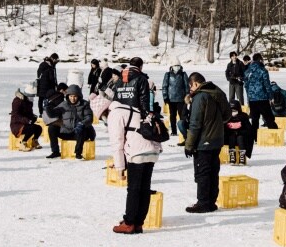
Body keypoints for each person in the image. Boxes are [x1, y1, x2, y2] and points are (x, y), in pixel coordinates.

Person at [108, 83, 164, 234]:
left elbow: (117, 143)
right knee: (144, 188)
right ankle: (139, 223)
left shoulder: (115, 114)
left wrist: (120, 167)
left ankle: (129, 222)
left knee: (133, 189)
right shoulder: (134, 108)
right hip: (151, 150)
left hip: (137, 152)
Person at [183, 72, 227, 213]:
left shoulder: (200, 97)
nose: (191, 89)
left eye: (191, 86)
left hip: (204, 141)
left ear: (196, 84)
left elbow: (195, 124)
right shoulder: (217, 92)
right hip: (217, 139)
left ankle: (203, 203)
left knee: (203, 173)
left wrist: (189, 145)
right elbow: (226, 115)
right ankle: (211, 202)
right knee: (213, 171)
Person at [47, 84, 95, 159]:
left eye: (75, 96)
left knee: (82, 129)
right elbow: (53, 114)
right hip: (66, 132)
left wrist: (82, 123)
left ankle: (78, 153)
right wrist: (47, 108)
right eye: (71, 96)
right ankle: (55, 151)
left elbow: (89, 118)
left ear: (78, 96)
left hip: (80, 134)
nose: (73, 98)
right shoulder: (63, 104)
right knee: (52, 128)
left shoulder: (85, 104)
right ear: (68, 96)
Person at [242, 53, 277, 140]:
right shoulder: (263, 71)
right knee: (269, 118)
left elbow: (246, 85)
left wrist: (249, 96)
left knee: (254, 120)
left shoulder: (247, 71)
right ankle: (275, 135)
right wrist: (271, 96)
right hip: (262, 98)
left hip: (252, 99)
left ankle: (255, 138)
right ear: (260, 60)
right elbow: (267, 85)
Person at [10, 84, 42, 150]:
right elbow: (16, 116)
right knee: (32, 128)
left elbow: (29, 113)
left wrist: (33, 117)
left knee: (39, 128)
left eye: (33, 96)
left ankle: (34, 141)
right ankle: (23, 143)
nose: (32, 98)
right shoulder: (17, 101)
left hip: (26, 123)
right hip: (16, 125)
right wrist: (27, 120)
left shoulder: (29, 102)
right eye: (31, 96)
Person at [161, 62, 189, 134]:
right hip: (171, 99)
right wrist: (165, 97)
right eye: (175, 65)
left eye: (178, 65)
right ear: (172, 66)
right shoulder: (168, 75)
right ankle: (174, 131)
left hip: (181, 99)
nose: (176, 67)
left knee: (182, 115)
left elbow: (187, 86)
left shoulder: (183, 74)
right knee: (172, 115)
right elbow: (164, 86)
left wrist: (187, 96)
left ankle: (183, 131)